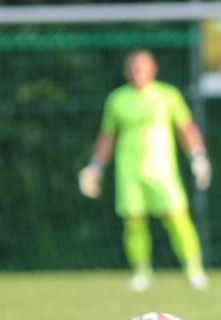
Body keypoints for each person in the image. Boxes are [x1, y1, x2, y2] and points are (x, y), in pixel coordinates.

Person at [78, 50, 212, 291]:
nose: (137, 72)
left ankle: (194, 270)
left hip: (162, 171)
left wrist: (198, 157)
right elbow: (107, 136)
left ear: (153, 69)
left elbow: (186, 128)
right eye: (132, 67)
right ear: (126, 71)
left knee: (178, 219)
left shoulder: (167, 95)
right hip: (129, 173)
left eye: (142, 67)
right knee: (134, 222)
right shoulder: (117, 99)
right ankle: (141, 272)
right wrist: (95, 166)